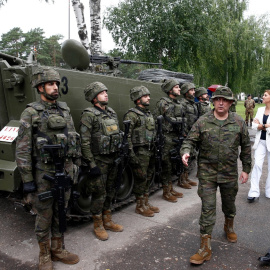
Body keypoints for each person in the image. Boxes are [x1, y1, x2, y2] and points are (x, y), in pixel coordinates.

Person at [16, 67, 80, 270]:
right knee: (44, 215)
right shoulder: (31, 112)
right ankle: (44, 255)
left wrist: (76, 166)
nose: (55, 87)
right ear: (40, 87)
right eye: (50, 84)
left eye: (56, 84)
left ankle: (58, 249)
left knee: (62, 210)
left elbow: (73, 139)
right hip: (44, 174)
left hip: (66, 170)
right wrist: (27, 180)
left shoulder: (64, 109)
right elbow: (23, 149)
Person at [180, 86, 251, 265]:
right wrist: (186, 151)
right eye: (218, 99)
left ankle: (229, 226)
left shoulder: (239, 122)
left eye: (225, 100)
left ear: (230, 103)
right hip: (207, 173)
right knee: (208, 208)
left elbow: (246, 147)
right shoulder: (203, 121)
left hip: (229, 173)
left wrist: (246, 169)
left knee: (229, 204)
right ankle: (205, 248)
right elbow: (189, 140)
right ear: (213, 101)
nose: (221, 102)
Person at [79, 81, 123, 241]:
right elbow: (84, 142)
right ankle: (98, 225)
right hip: (99, 161)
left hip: (113, 159)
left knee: (111, 190)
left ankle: (108, 220)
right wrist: (91, 164)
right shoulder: (89, 115)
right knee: (99, 194)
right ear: (94, 97)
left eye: (106, 91)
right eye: (102, 92)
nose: (106, 94)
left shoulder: (111, 112)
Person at [124, 86, 159, 217]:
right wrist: (131, 154)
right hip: (140, 151)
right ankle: (140, 205)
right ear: (138, 99)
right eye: (145, 96)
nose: (149, 98)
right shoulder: (132, 115)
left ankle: (145, 202)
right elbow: (127, 136)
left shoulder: (148, 113)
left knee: (148, 177)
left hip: (150, 150)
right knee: (141, 179)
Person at [154, 78, 184, 203]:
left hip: (175, 137)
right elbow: (157, 121)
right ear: (170, 89)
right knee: (166, 164)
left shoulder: (177, 103)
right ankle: (166, 191)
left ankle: (170, 188)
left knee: (172, 164)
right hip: (166, 137)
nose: (179, 89)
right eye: (177, 87)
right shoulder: (163, 103)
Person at [247, 90, 270, 202]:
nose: (263, 97)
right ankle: (253, 192)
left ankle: (269, 191)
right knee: (257, 165)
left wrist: (261, 125)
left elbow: (259, 125)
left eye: (265, 95)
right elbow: (254, 126)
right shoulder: (260, 110)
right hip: (260, 141)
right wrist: (266, 125)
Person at [178, 82, 198, 189]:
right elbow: (182, 120)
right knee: (184, 157)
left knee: (190, 156)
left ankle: (186, 178)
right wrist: (184, 132)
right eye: (191, 90)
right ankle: (181, 180)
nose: (194, 92)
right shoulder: (183, 104)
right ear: (186, 92)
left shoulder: (192, 104)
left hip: (192, 133)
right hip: (185, 134)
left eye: (194, 90)